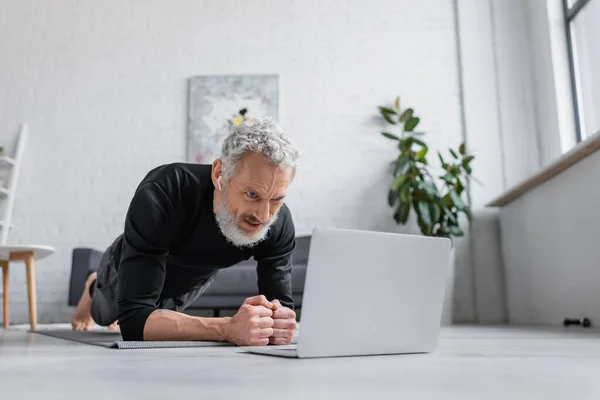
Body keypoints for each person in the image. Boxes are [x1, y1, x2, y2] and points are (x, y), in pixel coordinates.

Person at [71, 117, 300, 346]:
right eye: (252, 195)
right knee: (106, 316)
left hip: (192, 278)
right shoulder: (163, 192)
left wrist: (280, 324)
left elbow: (280, 311)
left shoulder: (278, 223)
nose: (264, 216)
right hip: (127, 266)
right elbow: (133, 325)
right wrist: (227, 328)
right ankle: (93, 285)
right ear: (220, 174)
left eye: (277, 199)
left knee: (161, 330)